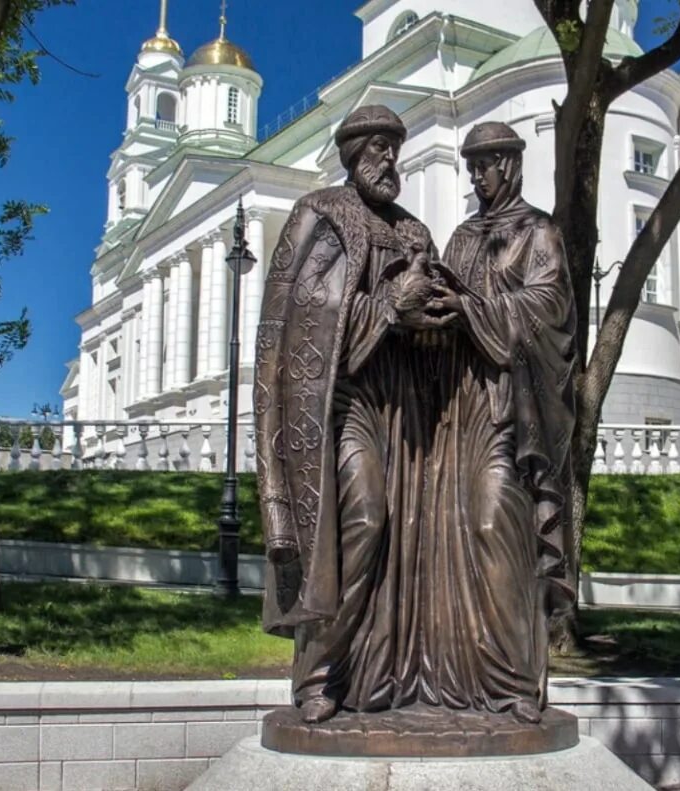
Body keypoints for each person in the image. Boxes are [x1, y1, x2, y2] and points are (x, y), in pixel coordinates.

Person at [253, 105, 447, 724]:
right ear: (352, 152)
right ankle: (319, 670)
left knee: (404, 540)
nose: (391, 159)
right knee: (363, 517)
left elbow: (434, 319)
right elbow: (299, 313)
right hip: (338, 400)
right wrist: (391, 303)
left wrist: (432, 314)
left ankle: (378, 674)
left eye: (396, 146)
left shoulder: (416, 232)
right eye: (379, 146)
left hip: (406, 403)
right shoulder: (321, 213)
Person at [419, 121, 578, 724]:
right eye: (471, 166)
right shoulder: (463, 238)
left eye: (485, 165)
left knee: (494, 525)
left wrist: (472, 310)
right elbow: (450, 298)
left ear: (509, 165)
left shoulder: (538, 233)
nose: (476, 177)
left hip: (509, 406)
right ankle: (464, 676)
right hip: (456, 405)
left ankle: (516, 678)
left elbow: (549, 307)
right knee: (450, 536)